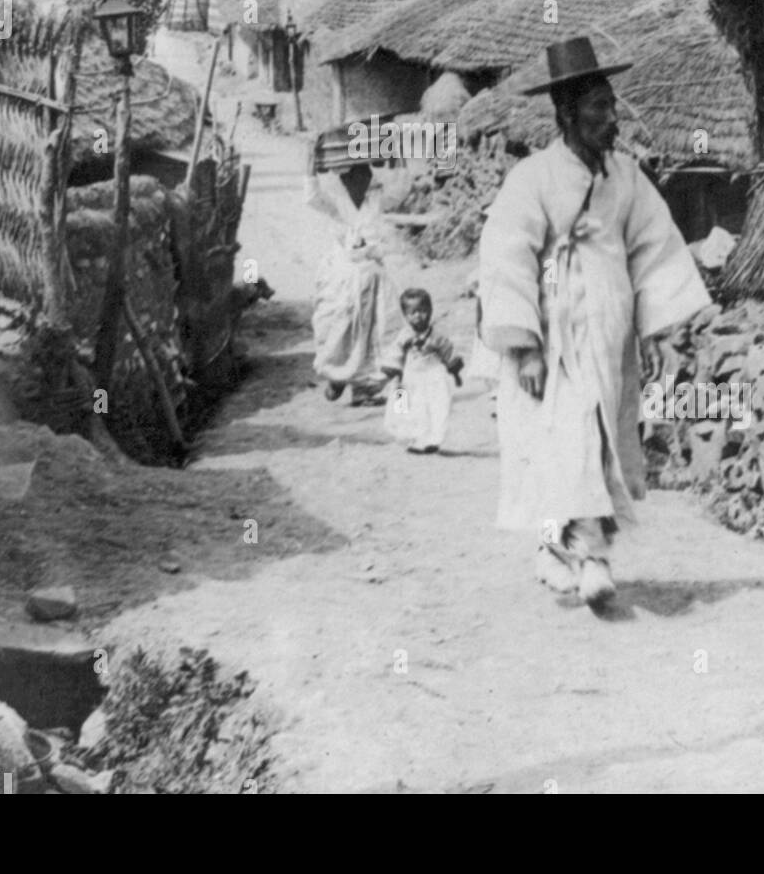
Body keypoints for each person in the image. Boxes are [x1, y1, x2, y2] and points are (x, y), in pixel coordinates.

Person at [477, 34, 711, 614]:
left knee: (602, 441)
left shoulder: (625, 178)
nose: (611, 120)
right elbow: (506, 257)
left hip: (609, 333)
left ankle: (558, 547)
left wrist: (656, 330)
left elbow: (653, 251)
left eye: (611, 106)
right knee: (571, 438)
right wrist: (524, 347)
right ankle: (593, 556)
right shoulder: (532, 178)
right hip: (554, 337)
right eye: (597, 109)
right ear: (566, 115)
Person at [305, 152, 394, 403]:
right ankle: (337, 376)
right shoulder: (336, 199)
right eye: (355, 175)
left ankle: (364, 387)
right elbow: (311, 196)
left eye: (366, 175)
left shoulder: (375, 199)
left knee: (375, 330)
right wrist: (310, 164)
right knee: (337, 327)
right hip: (340, 274)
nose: (361, 181)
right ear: (344, 178)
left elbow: (401, 191)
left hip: (371, 272)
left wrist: (398, 158)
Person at [381, 288, 463, 455]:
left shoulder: (437, 336)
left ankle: (434, 439)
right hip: (410, 377)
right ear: (405, 315)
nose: (418, 316)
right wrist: (393, 372)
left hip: (433, 374)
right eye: (413, 313)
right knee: (407, 408)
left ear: (430, 311)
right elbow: (395, 355)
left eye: (423, 311)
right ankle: (415, 438)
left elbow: (448, 352)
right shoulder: (404, 336)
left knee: (436, 406)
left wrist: (454, 371)